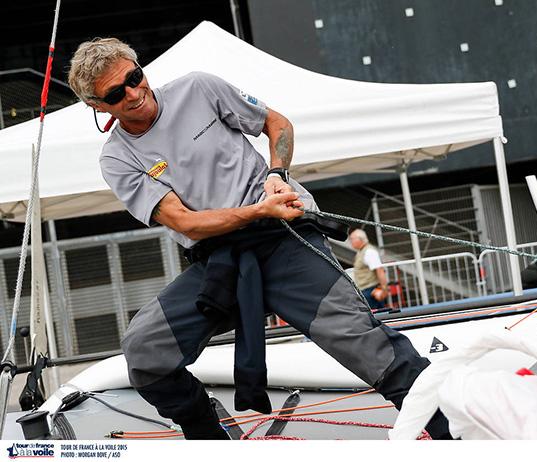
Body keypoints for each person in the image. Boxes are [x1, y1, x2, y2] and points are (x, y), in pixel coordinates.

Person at [67, 38, 450, 440]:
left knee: (366, 346)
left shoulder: (198, 88)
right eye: (116, 92)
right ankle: (211, 440)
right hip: (220, 261)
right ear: (97, 105)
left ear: (139, 68)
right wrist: (257, 211)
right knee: (144, 349)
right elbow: (186, 222)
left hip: (284, 239)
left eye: (134, 77)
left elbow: (277, 124)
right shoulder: (117, 158)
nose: (133, 92)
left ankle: (455, 434)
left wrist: (276, 174)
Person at [349, 229, 388, 309]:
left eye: (352, 239)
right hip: (366, 291)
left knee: (374, 316)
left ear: (360, 239)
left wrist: (384, 289)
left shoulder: (369, 252)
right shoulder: (362, 251)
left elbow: (380, 270)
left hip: (370, 291)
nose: (350, 242)